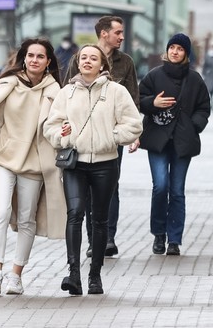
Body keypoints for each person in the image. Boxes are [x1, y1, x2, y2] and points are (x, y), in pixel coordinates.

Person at [0, 38, 65, 296]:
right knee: (2, 210)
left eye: (40, 56)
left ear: (48, 61)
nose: (35, 60)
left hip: (34, 162)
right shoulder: (8, 85)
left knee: (27, 219)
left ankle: (15, 276)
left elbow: (58, 125)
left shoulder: (55, 92)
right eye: (30, 55)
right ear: (24, 58)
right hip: (3, 158)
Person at [44, 45, 142, 296]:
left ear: (102, 65)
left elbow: (133, 124)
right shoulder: (66, 93)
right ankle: (74, 273)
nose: (87, 61)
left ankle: (95, 275)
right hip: (75, 164)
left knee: (99, 219)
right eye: (83, 57)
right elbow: (51, 127)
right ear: (77, 63)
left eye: (93, 58)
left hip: (105, 163)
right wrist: (62, 136)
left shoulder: (116, 92)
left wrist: (111, 137)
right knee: (75, 214)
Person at [65, 15, 139, 258]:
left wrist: (130, 135)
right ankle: (91, 240)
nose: (122, 36)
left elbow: (132, 100)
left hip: (110, 137)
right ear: (103, 33)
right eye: (118, 32)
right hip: (81, 137)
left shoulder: (125, 62)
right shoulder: (81, 58)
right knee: (85, 190)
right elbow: (65, 95)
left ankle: (107, 237)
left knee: (110, 187)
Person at [138, 33, 211, 256]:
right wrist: (154, 102)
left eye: (180, 49)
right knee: (160, 187)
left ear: (186, 54)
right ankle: (159, 233)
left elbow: (204, 107)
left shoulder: (195, 79)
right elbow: (139, 101)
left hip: (182, 141)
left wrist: (193, 126)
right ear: (167, 51)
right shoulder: (154, 76)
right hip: (158, 140)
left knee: (177, 191)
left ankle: (174, 239)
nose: (175, 52)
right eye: (172, 48)